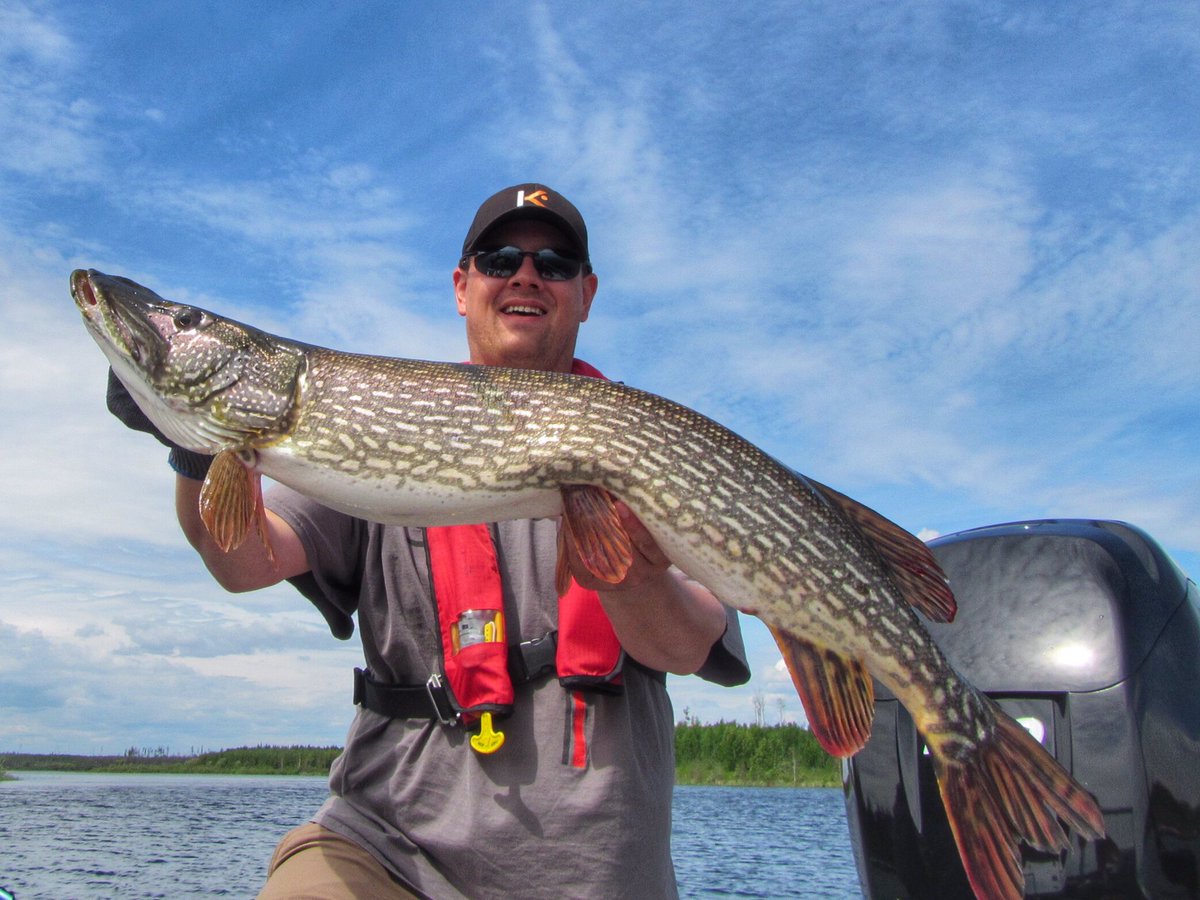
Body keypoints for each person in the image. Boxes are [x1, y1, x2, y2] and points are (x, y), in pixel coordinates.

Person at [108, 183, 749, 899]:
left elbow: (686, 646)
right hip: (384, 850)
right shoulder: (366, 427)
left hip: (594, 879)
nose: (526, 275)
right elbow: (243, 561)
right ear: (462, 285)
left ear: (586, 292)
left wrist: (629, 572)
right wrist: (194, 445)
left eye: (556, 263)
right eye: (500, 257)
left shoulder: (647, 442)